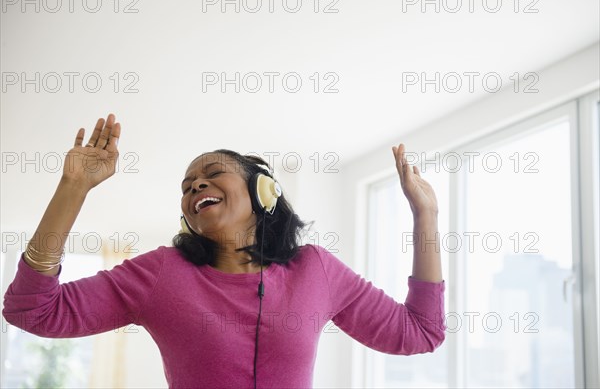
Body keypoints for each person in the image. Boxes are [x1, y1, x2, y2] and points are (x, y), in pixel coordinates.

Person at [2, 113, 445, 388]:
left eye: (214, 174)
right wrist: (73, 188)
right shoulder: (161, 273)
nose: (196, 184)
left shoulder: (316, 270)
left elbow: (420, 332)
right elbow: (31, 311)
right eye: (188, 185)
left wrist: (426, 216)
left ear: (263, 191)